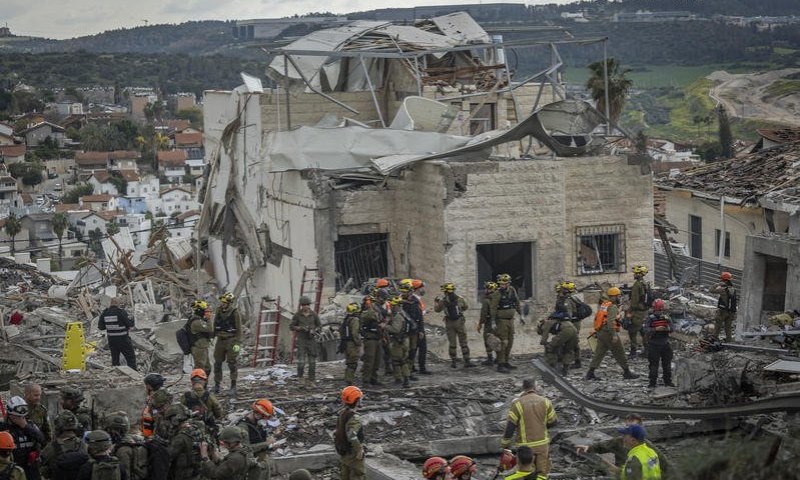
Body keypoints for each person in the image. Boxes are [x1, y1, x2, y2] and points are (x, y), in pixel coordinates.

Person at [575, 413, 669, 478]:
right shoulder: (650, 452)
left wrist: (610, 467)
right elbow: (604, 445)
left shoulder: (636, 459)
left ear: (633, 439)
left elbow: (628, 474)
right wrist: (589, 448)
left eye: (626, 435)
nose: (623, 438)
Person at [500, 379, 556, 478]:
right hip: (542, 445)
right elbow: (553, 422)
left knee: (526, 473)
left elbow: (510, 426)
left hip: (525, 447)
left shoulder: (517, 403)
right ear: (535, 387)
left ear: (523, 388)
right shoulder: (546, 401)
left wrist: (505, 443)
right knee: (542, 474)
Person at [585, 287, 639, 381]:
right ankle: (627, 372)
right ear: (613, 297)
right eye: (618, 296)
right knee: (619, 352)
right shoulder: (612, 307)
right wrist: (614, 335)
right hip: (608, 332)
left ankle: (590, 373)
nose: (619, 298)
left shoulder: (605, 304)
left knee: (599, 353)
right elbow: (610, 322)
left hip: (601, 331)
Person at [1, 396, 44, 480]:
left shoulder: (30, 425)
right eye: (18, 417)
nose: (21, 419)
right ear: (10, 415)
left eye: (22, 417)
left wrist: (25, 426)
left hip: (31, 468)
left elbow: (42, 439)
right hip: (12, 470)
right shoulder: (3, 427)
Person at [539, 285, 578, 375]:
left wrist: (545, 343)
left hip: (567, 329)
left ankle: (552, 368)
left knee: (551, 348)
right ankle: (565, 369)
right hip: (573, 328)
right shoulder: (557, 316)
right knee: (568, 349)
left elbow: (544, 337)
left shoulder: (548, 322)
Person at [434, 283, 474, 369]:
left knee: (452, 343)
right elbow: (465, 307)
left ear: (446, 292)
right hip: (459, 322)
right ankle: (467, 361)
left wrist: (436, 303)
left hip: (449, 323)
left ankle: (453, 362)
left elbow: (437, 310)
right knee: (463, 342)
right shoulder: (460, 299)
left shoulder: (443, 301)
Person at [489, 274, 522, 373]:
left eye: (504, 284)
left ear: (508, 284)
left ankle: (506, 361)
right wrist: (493, 321)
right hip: (501, 321)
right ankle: (500, 364)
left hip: (510, 320)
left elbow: (517, 302)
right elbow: (493, 308)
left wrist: (521, 315)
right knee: (503, 342)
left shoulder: (512, 290)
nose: (502, 286)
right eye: (501, 284)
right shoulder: (497, 294)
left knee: (510, 342)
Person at [212, 292, 243, 397]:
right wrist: (212, 336)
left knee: (232, 363)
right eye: (222, 302)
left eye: (224, 302)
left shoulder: (235, 312)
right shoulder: (218, 311)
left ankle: (233, 386)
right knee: (217, 363)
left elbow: (239, 330)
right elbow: (215, 324)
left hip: (232, 340)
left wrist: (238, 344)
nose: (222, 304)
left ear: (229, 303)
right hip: (220, 339)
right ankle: (217, 385)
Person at [164, 404, 202, 480]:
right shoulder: (195, 427)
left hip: (185, 475)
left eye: (169, 419)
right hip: (197, 471)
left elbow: (167, 456)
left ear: (175, 419)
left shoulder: (180, 437)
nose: (169, 423)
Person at [98, 297, 137, 370]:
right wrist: (133, 319)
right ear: (116, 303)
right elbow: (130, 324)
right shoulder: (120, 312)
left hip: (112, 340)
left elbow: (101, 327)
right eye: (119, 303)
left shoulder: (105, 313)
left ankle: (116, 372)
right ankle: (133, 373)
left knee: (115, 358)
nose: (120, 304)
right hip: (123, 339)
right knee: (130, 357)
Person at [182, 369, 222, 438]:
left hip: (190, 430)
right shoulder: (209, 396)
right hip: (208, 429)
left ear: (192, 382)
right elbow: (218, 412)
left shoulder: (185, 396)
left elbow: (181, 412)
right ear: (204, 381)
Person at [335, 386, 365, 480]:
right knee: (357, 474)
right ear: (356, 401)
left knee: (345, 474)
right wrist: (359, 450)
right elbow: (352, 436)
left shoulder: (342, 413)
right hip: (353, 452)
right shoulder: (355, 418)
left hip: (344, 450)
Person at [290, 296, 321, 387]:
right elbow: (291, 326)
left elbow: (319, 326)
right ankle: (301, 378)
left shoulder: (314, 315)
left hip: (311, 341)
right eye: (304, 305)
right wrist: (299, 328)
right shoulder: (297, 315)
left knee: (312, 362)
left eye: (307, 305)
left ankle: (311, 380)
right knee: (301, 362)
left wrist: (314, 330)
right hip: (302, 341)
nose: (305, 307)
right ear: (301, 306)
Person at [105, 414, 147, 480]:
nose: (108, 432)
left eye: (110, 430)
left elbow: (125, 475)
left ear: (117, 431)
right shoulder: (128, 441)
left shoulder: (123, 450)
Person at [645, 299, 674, 389]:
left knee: (654, 364)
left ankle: (653, 383)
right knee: (666, 364)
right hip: (664, 344)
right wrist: (658, 329)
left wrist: (658, 329)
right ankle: (667, 382)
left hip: (655, 344)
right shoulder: (667, 317)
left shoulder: (650, 318)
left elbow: (646, 330)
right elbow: (672, 329)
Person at [237, 399, 278, 464]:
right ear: (257, 414)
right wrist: (266, 444)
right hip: (249, 462)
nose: (265, 420)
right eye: (264, 417)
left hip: (260, 459)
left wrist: (271, 446)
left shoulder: (258, 424)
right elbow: (245, 450)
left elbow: (260, 443)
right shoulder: (243, 427)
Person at [386, 296, 414, 388]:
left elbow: (395, 329)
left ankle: (405, 380)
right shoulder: (403, 313)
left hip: (398, 341)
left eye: (392, 305)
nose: (391, 307)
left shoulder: (398, 316)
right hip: (405, 340)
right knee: (399, 360)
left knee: (400, 361)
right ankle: (399, 378)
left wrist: (385, 326)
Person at [556, 281, 584, 368]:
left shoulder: (568, 300)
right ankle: (575, 360)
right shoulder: (575, 297)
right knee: (573, 341)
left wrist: (566, 324)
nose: (562, 290)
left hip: (572, 323)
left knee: (573, 342)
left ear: (568, 290)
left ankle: (576, 361)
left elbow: (569, 315)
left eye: (564, 289)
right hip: (576, 322)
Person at [359, 294, 384, 386]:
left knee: (376, 361)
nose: (370, 304)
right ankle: (366, 380)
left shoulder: (376, 311)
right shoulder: (365, 312)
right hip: (370, 339)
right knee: (369, 361)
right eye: (368, 302)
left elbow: (381, 319)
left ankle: (374, 378)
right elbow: (371, 316)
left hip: (377, 338)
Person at [628, 265, 652, 358]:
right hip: (644, 311)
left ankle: (633, 352)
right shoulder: (645, 283)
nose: (634, 275)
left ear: (640, 274)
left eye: (636, 273)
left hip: (637, 312)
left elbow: (634, 301)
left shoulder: (636, 285)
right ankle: (647, 351)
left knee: (632, 331)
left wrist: (629, 311)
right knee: (643, 331)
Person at [339, 303, 363, 386]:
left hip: (346, 344)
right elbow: (355, 333)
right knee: (352, 363)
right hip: (352, 344)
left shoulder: (346, 319)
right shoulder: (355, 320)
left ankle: (347, 379)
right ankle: (349, 381)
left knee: (349, 362)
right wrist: (359, 343)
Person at [188, 299, 214, 375]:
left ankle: (203, 385)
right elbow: (209, 329)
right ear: (199, 310)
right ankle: (198, 386)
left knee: (207, 369)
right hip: (198, 348)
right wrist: (209, 319)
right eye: (204, 310)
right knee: (200, 369)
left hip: (202, 347)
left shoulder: (199, 319)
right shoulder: (195, 321)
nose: (205, 312)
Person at [140, 373, 169, 439]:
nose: (146, 387)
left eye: (146, 385)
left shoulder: (157, 398)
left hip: (156, 433)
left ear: (149, 386)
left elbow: (154, 416)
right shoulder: (163, 393)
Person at [712, 272, 737, 342]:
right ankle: (729, 341)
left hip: (723, 311)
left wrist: (717, 284)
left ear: (724, 280)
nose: (720, 281)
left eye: (721, 280)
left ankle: (714, 339)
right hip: (731, 312)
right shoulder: (733, 289)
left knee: (717, 326)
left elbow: (711, 290)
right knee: (728, 327)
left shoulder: (722, 289)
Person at [478, 282, 498, 366]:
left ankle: (490, 358)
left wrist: (480, 323)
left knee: (487, 339)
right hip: (499, 322)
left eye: (487, 288)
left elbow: (484, 313)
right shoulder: (499, 298)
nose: (486, 290)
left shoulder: (486, 300)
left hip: (489, 322)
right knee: (498, 339)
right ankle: (499, 358)